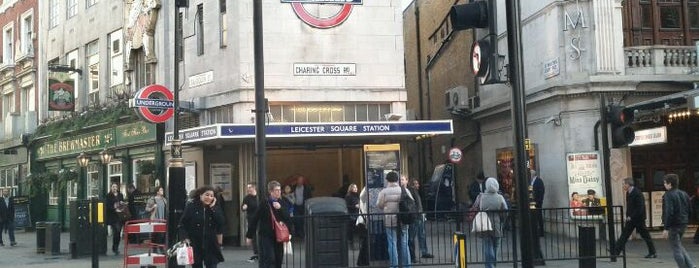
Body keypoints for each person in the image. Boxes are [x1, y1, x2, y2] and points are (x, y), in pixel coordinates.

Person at [246, 181, 292, 268]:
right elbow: (255, 218)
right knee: (269, 258)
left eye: (279, 190)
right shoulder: (264, 203)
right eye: (276, 190)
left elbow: (288, 218)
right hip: (266, 235)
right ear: (271, 191)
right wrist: (249, 235)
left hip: (279, 235)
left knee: (279, 258)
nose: (279, 192)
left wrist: (280, 208)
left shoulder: (282, 203)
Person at [178, 186, 225, 268]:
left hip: (211, 244)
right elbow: (182, 224)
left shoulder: (215, 207)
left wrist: (213, 208)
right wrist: (185, 237)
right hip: (195, 243)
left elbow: (221, 222)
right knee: (196, 265)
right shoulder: (191, 206)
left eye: (211, 196)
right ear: (200, 195)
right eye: (207, 195)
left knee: (212, 265)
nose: (209, 198)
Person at [611, 178, 656, 258]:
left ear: (628, 184)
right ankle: (616, 252)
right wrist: (628, 216)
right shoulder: (628, 193)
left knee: (645, 236)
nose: (623, 186)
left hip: (638, 219)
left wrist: (631, 216)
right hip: (631, 219)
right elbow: (630, 206)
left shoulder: (637, 193)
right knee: (624, 235)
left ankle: (652, 252)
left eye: (624, 184)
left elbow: (640, 208)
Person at [377, 171, 412, 267]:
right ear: (397, 180)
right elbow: (411, 202)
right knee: (404, 243)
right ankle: (407, 265)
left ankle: (394, 265)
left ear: (387, 180)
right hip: (403, 220)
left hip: (390, 220)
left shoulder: (383, 192)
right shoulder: (404, 190)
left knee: (392, 243)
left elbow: (379, 205)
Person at [662, 174, 695, 268]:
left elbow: (669, 212)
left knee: (676, 248)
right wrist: (687, 220)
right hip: (683, 223)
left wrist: (666, 228)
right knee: (679, 245)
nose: (664, 185)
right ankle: (691, 265)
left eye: (665, 182)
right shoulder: (684, 193)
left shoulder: (668, 195)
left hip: (674, 225)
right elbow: (690, 209)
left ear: (670, 184)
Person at [479, 177, 508, 268]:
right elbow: (505, 210)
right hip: (496, 222)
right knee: (497, 244)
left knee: (487, 244)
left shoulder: (482, 197)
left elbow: (480, 208)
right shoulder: (500, 197)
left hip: (485, 222)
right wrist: (502, 220)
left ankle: (489, 265)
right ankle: (493, 263)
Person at [406, 177, 433, 263]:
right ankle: (413, 256)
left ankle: (424, 251)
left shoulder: (416, 192)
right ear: (412, 185)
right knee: (412, 237)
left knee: (421, 234)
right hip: (416, 217)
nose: (418, 185)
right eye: (416, 184)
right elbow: (414, 205)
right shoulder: (411, 192)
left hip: (419, 216)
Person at [145, 186, 167, 252]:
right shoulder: (152, 199)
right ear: (157, 192)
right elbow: (146, 209)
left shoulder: (164, 199)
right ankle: (155, 249)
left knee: (161, 235)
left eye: (162, 190)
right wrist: (152, 207)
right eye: (161, 190)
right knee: (156, 234)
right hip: (155, 219)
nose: (162, 191)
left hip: (162, 219)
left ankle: (160, 247)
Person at [106, 183, 126, 255]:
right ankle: (115, 248)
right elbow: (107, 206)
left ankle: (116, 247)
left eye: (116, 187)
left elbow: (123, 203)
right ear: (111, 188)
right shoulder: (108, 196)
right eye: (113, 187)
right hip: (113, 216)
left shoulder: (120, 195)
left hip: (120, 216)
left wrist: (122, 203)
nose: (115, 188)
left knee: (118, 232)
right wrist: (114, 208)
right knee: (116, 231)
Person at [241, 183, 259, 263]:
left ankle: (263, 252)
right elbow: (243, 207)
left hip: (260, 219)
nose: (248, 189)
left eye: (250, 187)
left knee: (261, 235)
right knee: (254, 236)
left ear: (254, 188)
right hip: (252, 219)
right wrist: (244, 207)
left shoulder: (259, 197)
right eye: (247, 187)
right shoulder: (247, 198)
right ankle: (256, 253)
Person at [291, 174, 312, 239]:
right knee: (296, 219)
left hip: (303, 206)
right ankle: (298, 233)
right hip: (296, 206)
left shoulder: (307, 188)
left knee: (303, 220)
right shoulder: (293, 188)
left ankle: (302, 233)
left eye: (301, 181)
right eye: (298, 180)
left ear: (303, 182)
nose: (300, 182)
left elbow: (309, 197)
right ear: (297, 181)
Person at [530, 170, 545, 236]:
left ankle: (541, 232)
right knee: (533, 216)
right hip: (531, 202)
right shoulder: (530, 181)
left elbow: (541, 192)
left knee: (539, 216)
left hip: (537, 202)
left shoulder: (539, 181)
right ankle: (534, 231)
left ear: (533, 174)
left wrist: (538, 201)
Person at [345, 183, 360, 248]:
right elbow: (347, 206)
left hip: (356, 213)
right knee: (351, 229)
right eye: (354, 187)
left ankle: (356, 243)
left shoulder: (357, 195)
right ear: (351, 188)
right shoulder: (348, 196)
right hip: (351, 214)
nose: (356, 189)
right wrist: (355, 206)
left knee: (356, 229)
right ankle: (351, 243)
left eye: (356, 187)